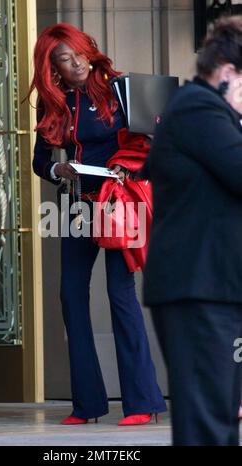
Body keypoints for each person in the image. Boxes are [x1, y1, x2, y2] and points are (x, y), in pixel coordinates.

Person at [28, 23, 166, 425]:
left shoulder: (122, 88)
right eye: (64, 61)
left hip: (119, 204)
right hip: (77, 207)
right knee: (71, 296)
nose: (76, 64)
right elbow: (40, 162)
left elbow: (153, 144)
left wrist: (125, 168)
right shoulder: (53, 101)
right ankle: (87, 404)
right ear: (52, 68)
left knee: (120, 294)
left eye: (77, 53)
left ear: (89, 48)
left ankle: (143, 402)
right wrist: (59, 171)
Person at [140, 16, 242, 445]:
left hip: (215, 289)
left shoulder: (212, 110)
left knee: (218, 420)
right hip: (198, 291)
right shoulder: (198, 107)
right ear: (228, 72)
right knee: (208, 426)